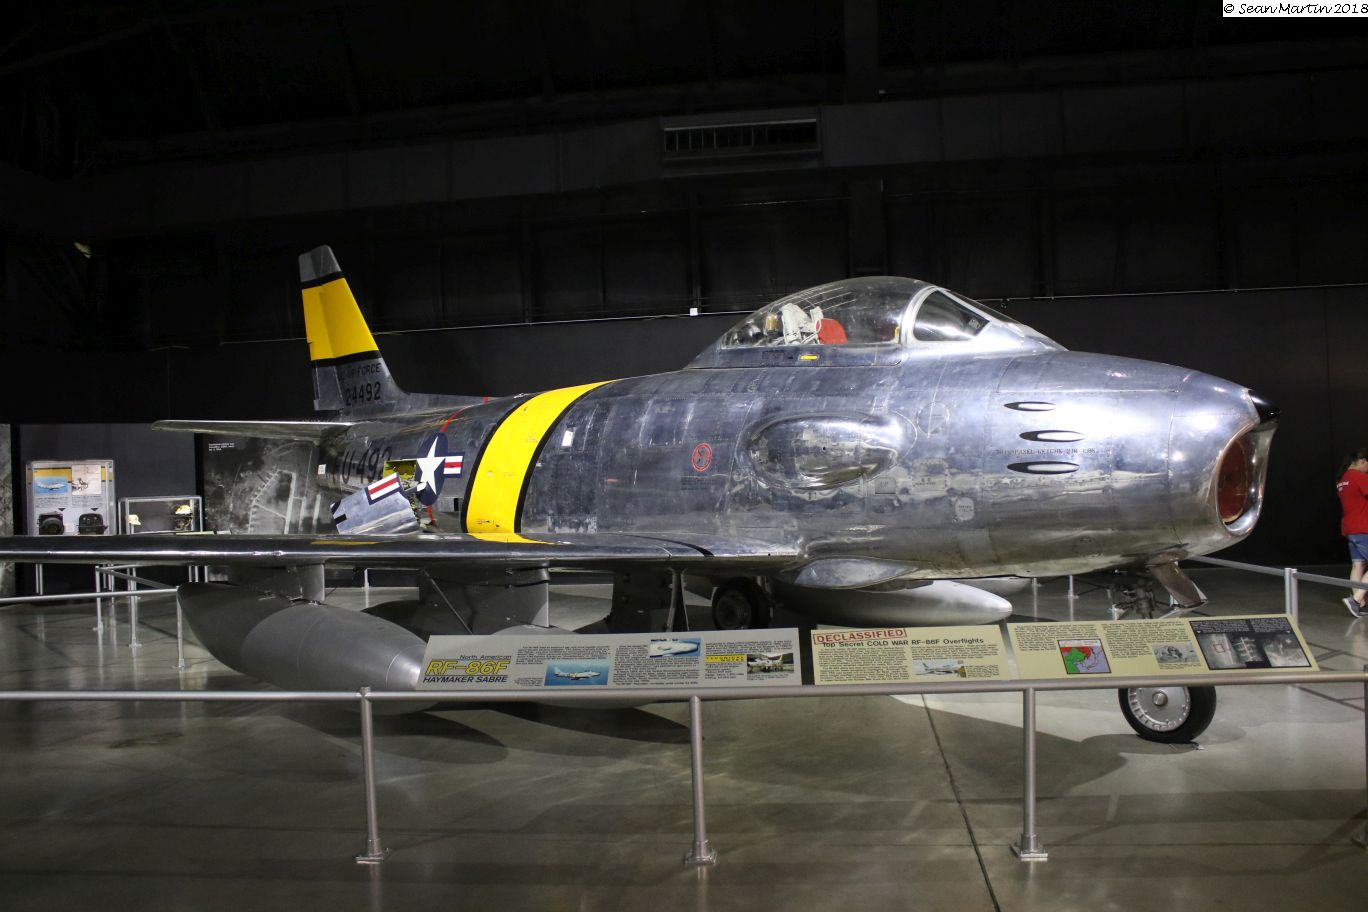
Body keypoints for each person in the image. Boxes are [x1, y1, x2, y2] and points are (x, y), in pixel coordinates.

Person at [1335, 448, 1368, 617]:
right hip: (1363, 528)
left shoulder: (1342, 480)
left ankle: (1360, 604)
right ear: (1362, 461)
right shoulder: (1359, 477)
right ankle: (1355, 600)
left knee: (1358, 565)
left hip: (1350, 528)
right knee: (1359, 565)